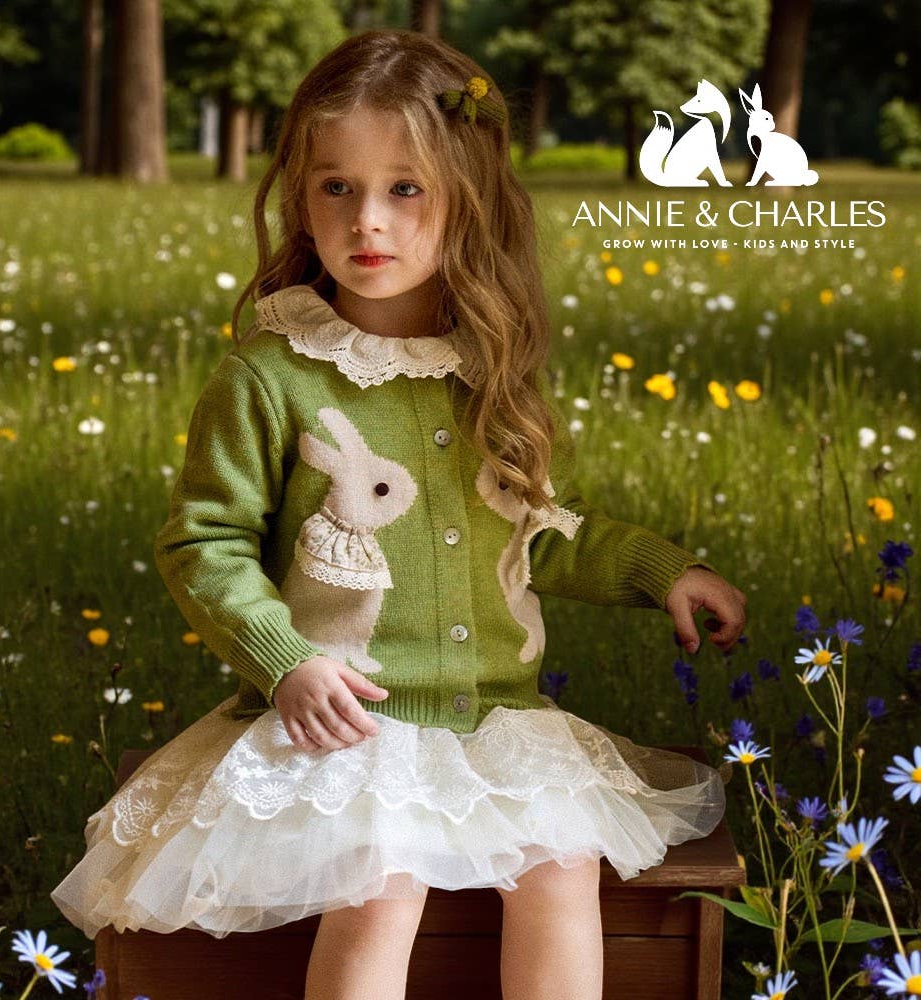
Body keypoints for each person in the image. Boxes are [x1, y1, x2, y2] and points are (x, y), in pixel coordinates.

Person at [51, 28, 746, 1000]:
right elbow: (201, 542)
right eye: (335, 186)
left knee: (561, 862)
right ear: (299, 191)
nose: (366, 219)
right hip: (345, 726)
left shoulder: (484, 366)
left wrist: (659, 570)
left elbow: (534, 530)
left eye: (405, 188)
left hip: (495, 724)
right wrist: (287, 661)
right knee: (379, 881)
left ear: (469, 197)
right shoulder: (272, 373)